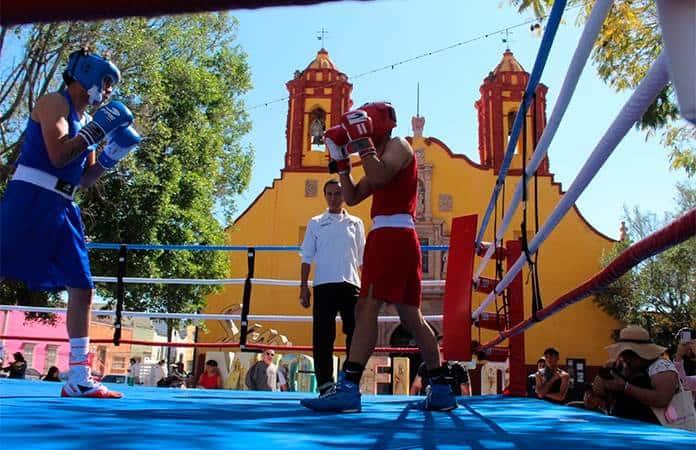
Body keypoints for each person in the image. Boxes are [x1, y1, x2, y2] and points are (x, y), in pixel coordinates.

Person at [0, 48, 141, 398]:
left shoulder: (86, 120)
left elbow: (84, 178)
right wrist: (96, 131)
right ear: (87, 73)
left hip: (64, 206)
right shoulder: (54, 103)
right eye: (106, 81)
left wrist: (110, 157)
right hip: (30, 197)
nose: (108, 90)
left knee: (82, 285)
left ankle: (78, 376)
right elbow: (59, 154)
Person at [301, 102, 457, 413]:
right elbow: (353, 196)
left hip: (392, 236)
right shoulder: (379, 156)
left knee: (366, 307)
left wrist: (361, 144)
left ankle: (348, 389)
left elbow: (380, 176)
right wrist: (342, 164)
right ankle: (441, 388)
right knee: (410, 316)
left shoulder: (399, 146)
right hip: (392, 236)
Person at [299, 178, 365, 395]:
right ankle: (325, 384)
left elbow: (362, 259)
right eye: (329, 194)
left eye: (338, 193)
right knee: (323, 336)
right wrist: (303, 286)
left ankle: (349, 380)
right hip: (324, 285)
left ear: (344, 195)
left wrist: (366, 289)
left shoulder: (356, 223)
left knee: (355, 334)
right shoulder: (315, 222)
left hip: (351, 285)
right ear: (325, 196)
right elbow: (306, 257)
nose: (334, 198)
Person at [585, 325, 681, 425]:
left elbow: (662, 399)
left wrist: (625, 387)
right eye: (623, 353)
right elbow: (598, 393)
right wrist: (603, 374)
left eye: (629, 354)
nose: (625, 357)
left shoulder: (661, 366)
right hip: (622, 426)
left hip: (655, 429)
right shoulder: (618, 365)